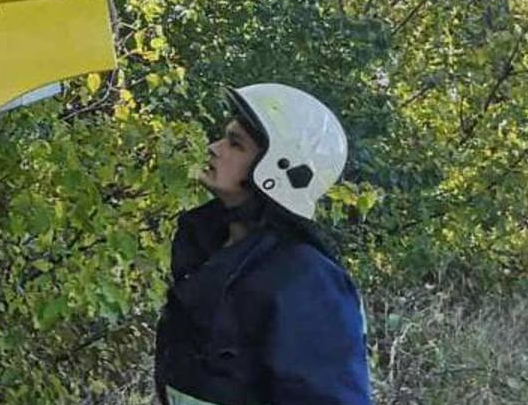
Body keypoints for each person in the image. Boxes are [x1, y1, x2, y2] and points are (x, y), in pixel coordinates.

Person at [154, 83, 372, 405]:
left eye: (235, 144)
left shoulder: (307, 281)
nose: (215, 148)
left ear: (276, 172)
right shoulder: (211, 248)